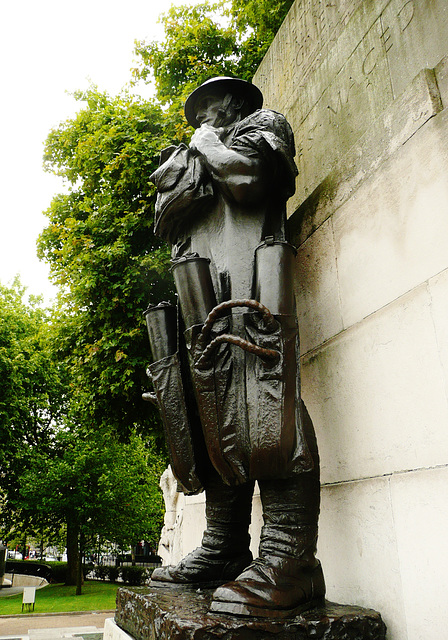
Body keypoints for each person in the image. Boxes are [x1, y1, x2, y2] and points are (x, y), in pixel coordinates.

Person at [147, 77, 325, 618]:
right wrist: (200, 167)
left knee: (270, 407)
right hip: (200, 292)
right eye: (198, 112)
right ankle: (225, 546)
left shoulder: (262, 128)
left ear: (240, 105)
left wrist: (205, 151)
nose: (205, 116)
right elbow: (163, 215)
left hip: (253, 284)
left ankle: (290, 561)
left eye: (215, 106)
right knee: (210, 416)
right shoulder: (193, 155)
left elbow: (248, 180)